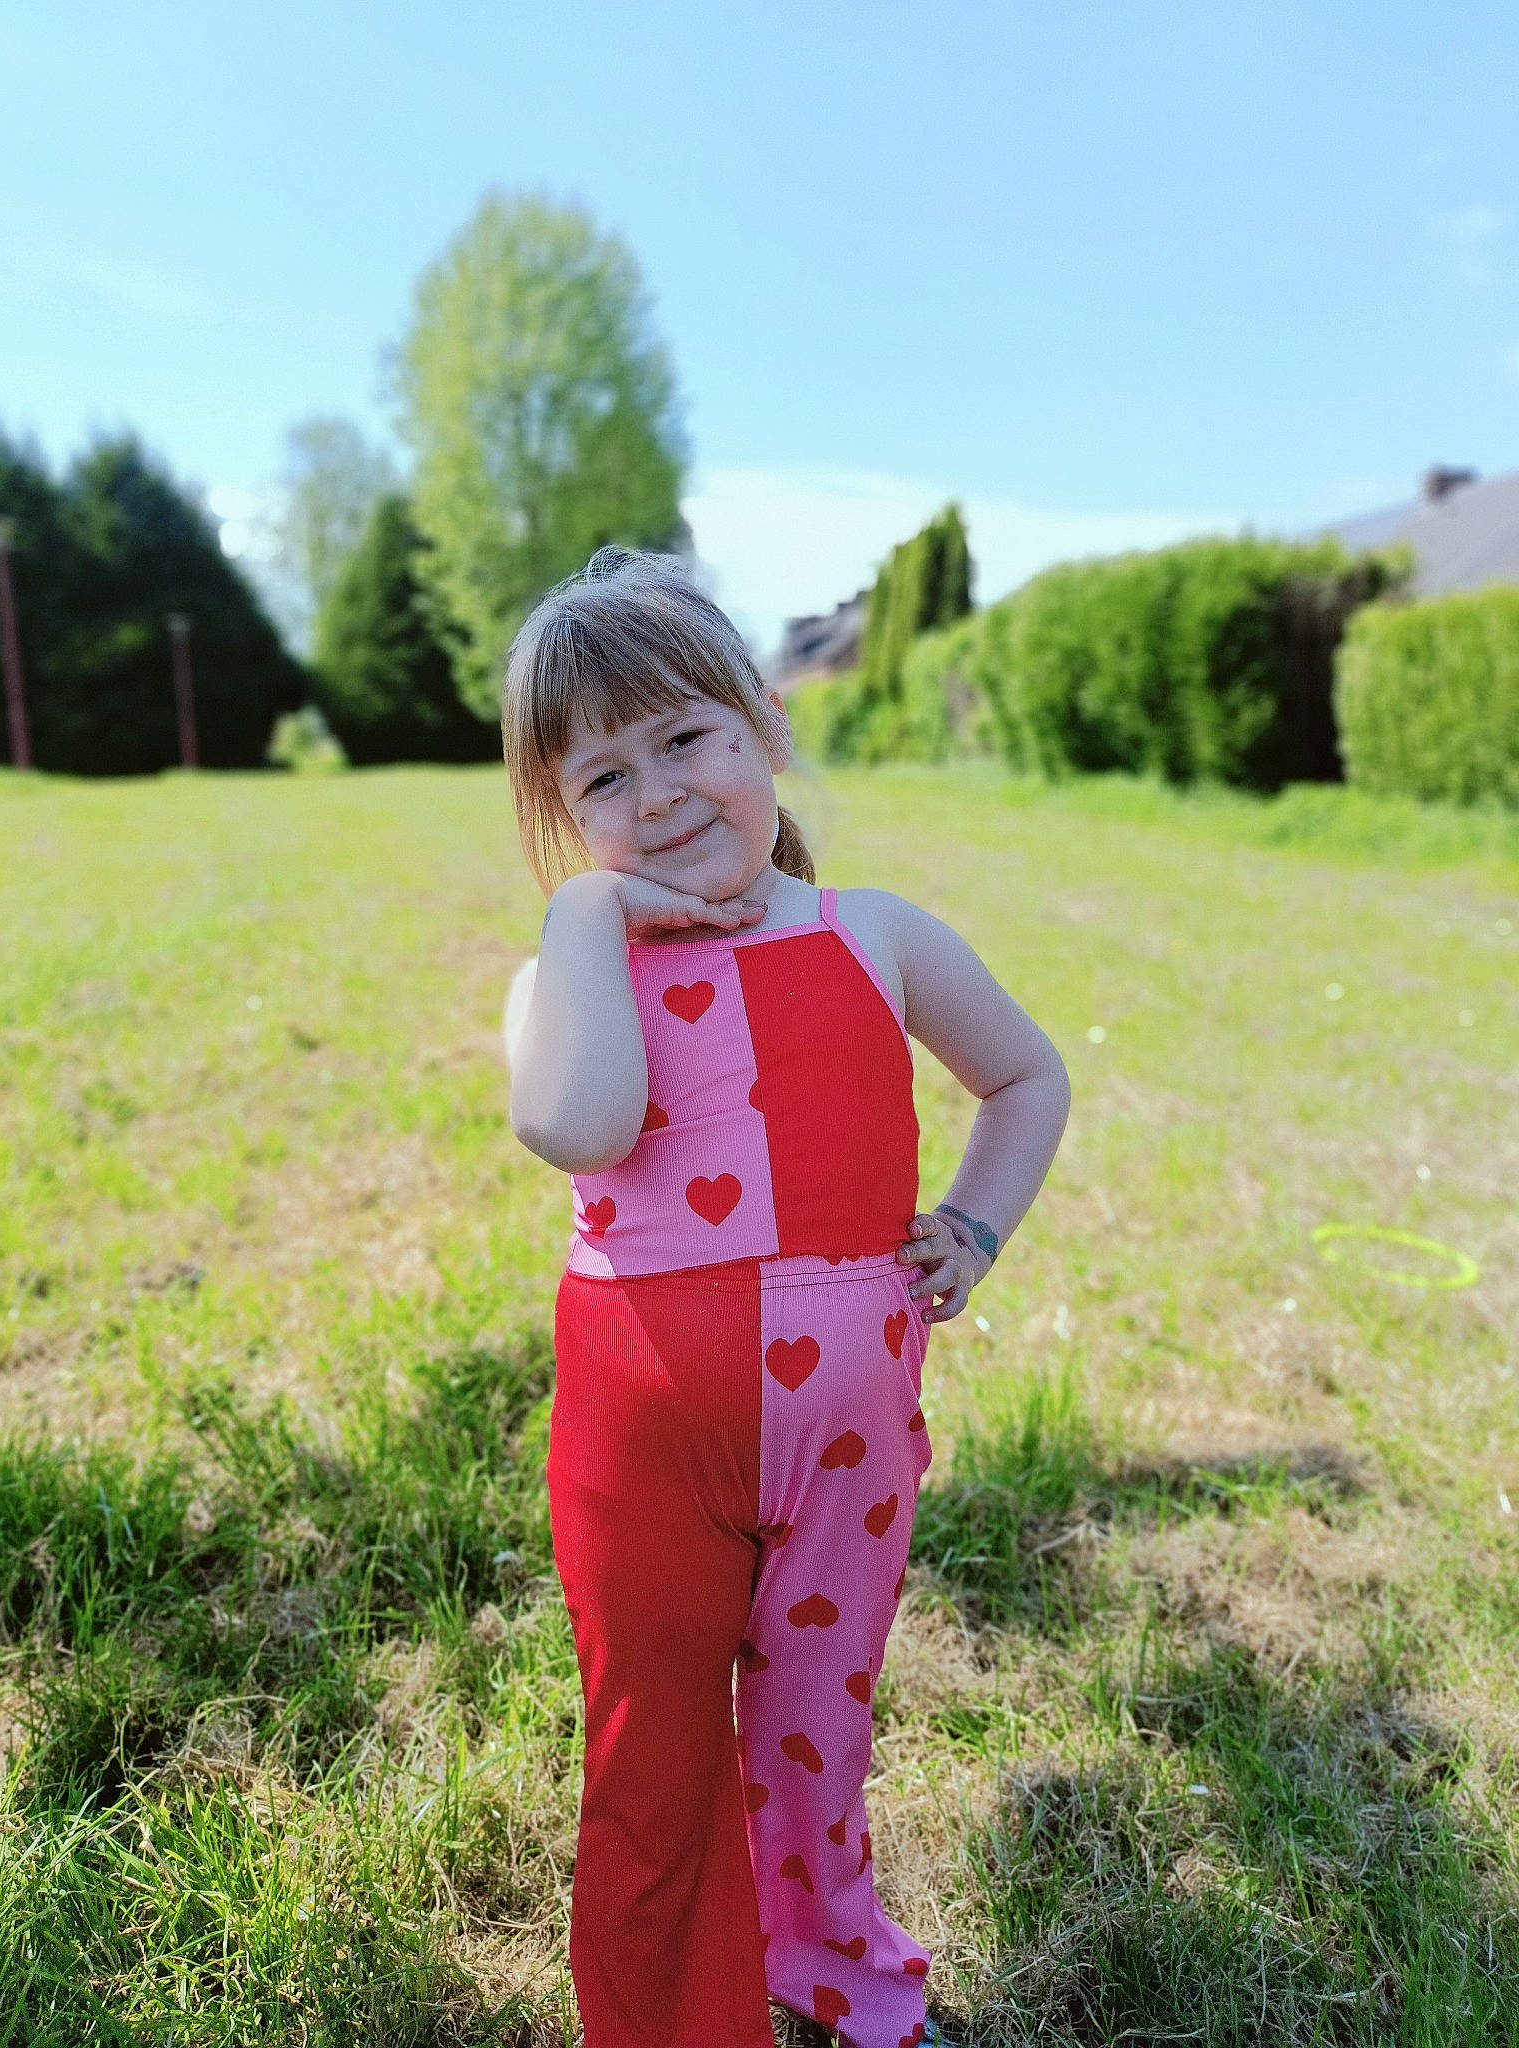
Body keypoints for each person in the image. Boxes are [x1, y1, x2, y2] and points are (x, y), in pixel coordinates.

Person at [503, 548, 1070, 2048]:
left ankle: (840, 1971)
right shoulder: (570, 977)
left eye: (687, 739)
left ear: (765, 725)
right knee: (655, 1747)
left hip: (847, 1441)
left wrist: (977, 1223)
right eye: (604, 777)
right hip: (647, 1450)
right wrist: (584, 928)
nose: (664, 795)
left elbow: (1023, 1076)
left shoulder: (870, 934)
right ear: (565, 816)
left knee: (820, 1734)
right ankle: (665, 2022)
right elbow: (582, 1125)